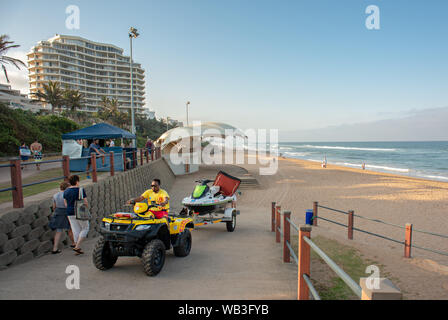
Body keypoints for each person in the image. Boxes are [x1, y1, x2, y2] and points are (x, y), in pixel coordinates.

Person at [64, 175, 89, 255]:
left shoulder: (66, 191)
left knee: (75, 229)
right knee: (85, 228)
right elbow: (85, 202)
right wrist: (87, 210)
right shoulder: (80, 190)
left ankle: (76, 246)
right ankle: (77, 246)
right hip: (80, 211)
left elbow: (65, 203)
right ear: (77, 181)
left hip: (69, 212)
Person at [50, 182, 75, 254]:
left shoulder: (55, 195)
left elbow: (54, 207)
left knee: (58, 231)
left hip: (58, 212)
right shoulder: (68, 194)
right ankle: (74, 244)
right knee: (70, 229)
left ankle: (55, 248)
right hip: (67, 212)